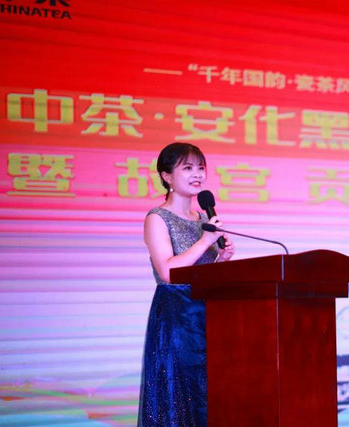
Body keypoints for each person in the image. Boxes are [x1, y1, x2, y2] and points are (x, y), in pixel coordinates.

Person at [138, 142, 235, 426]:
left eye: (201, 168)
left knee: (210, 393)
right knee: (180, 394)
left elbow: (203, 273)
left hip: (209, 315)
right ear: (167, 176)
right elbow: (169, 272)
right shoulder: (157, 218)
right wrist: (205, 241)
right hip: (177, 316)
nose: (197, 174)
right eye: (188, 168)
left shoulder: (204, 218)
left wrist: (222, 259)